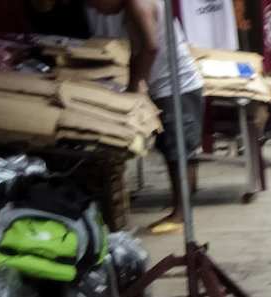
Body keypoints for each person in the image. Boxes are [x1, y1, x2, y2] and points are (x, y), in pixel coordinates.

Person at [86, 0, 204, 235]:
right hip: (165, 84)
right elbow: (138, 49)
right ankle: (181, 208)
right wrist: (133, 86)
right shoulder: (131, 7)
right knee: (173, 149)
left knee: (178, 151)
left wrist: (139, 83)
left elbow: (150, 47)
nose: (96, 9)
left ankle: (181, 213)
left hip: (176, 84)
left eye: (95, 3)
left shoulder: (137, 4)